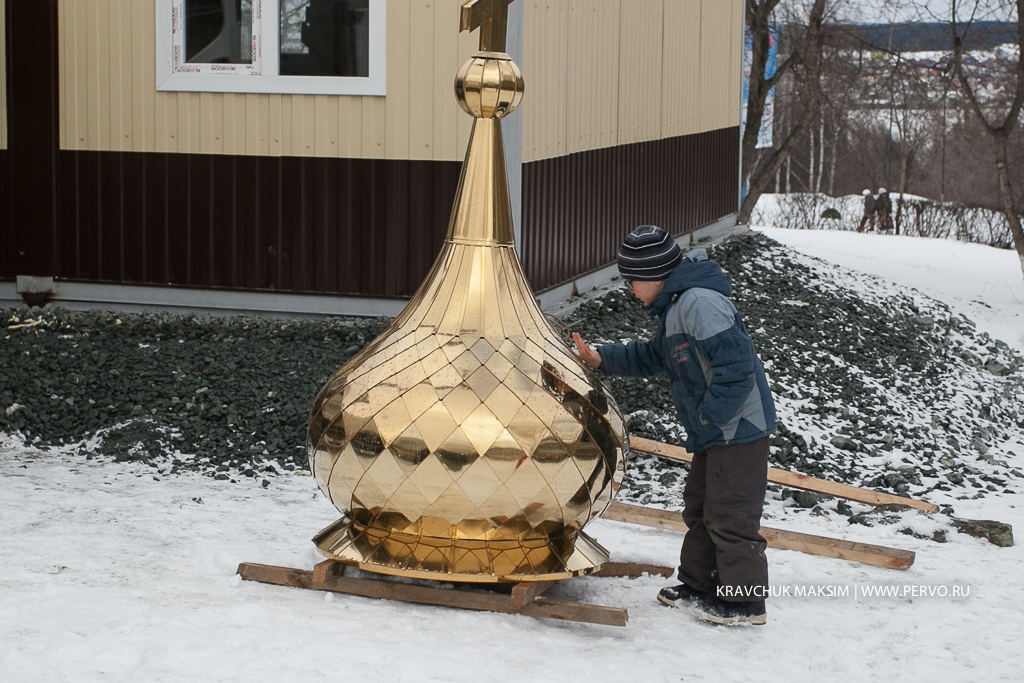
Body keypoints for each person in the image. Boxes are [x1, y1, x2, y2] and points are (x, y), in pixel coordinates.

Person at [572, 225, 777, 626]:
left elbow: (737, 370)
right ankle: (699, 583)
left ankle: (745, 603)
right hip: (715, 431)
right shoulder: (677, 306)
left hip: (738, 430)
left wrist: (709, 417)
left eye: (631, 279)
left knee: (730, 515)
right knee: (700, 507)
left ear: (653, 274)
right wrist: (602, 359)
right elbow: (654, 356)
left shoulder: (700, 304)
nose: (629, 288)